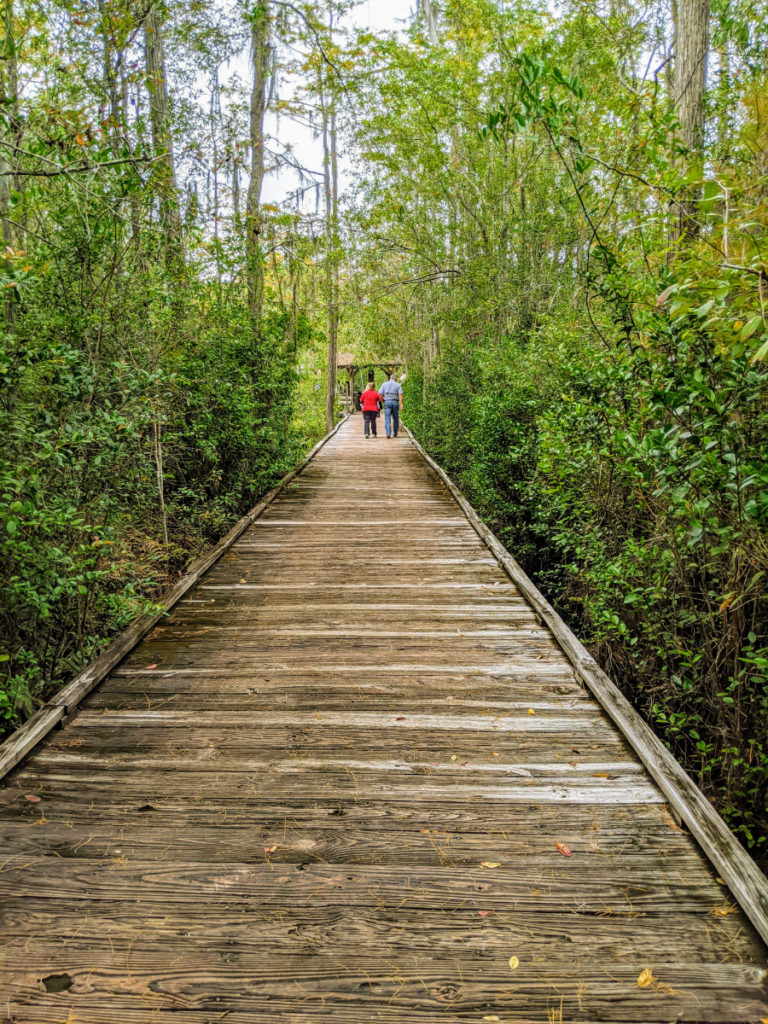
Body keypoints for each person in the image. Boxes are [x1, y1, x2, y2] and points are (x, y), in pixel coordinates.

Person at [378, 372, 403, 438]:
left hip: (387, 402)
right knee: (395, 418)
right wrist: (401, 404)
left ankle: (388, 433)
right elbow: (400, 395)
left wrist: (382, 401)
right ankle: (395, 433)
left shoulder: (384, 384)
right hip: (395, 402)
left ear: (390, 378)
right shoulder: (398, 385)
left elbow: (380, 394)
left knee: (387, 418)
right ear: (395, 379)